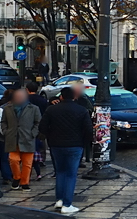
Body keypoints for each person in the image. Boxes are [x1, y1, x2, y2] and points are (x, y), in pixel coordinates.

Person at [40, 87, 92, 215]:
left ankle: (59, 200)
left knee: (60, 172)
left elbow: (42, 127)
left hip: (56, 145)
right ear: (74, 97)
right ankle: (67, 204)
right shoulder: (82, 110)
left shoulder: (51, 110)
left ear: (61, 97)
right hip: (75, 145)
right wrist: (84, 143)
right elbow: (88, 130)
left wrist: (50, 138)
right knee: (71, 174)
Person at [2, 86, 41, 190]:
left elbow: (38, 122)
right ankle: (17, 177)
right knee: (13, 160)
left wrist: (33, 133)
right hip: (13, 138)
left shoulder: (33, 108)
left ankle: (25, 182)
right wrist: (6, 131)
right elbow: (3, 122)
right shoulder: (7, 108)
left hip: (28, 138)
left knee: (27, 163)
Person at [26, 81, 49, 176]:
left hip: (27, 124)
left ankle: (29, 158)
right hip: (41, 123)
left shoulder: (25, 100)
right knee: (41, 142)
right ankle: (41, 159)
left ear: (27, 90)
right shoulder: (43, 100)